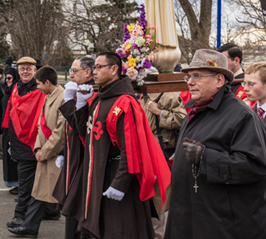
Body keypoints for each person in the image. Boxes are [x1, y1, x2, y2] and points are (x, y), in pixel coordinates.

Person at [165, 49, 266, 239]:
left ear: (219, 80)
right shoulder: (196, 111)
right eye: (188, 76)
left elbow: (255, 166)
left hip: (220, 224)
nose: (189, 82)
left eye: (197, 76)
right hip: (191, 216)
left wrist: (206, 157)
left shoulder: (241, 115)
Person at [75, 52, 170, 239]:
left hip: (116, 175)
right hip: (99, 173)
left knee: (120, 231)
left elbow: (131, 147)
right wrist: (79, 105)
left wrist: (120, 184)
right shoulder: (98, 99)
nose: (94, 71)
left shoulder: (125, 103)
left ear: (113, 69)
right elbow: (84, 132)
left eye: (99, 67)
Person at [9, 66, 65, 238]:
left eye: (39, 84)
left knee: (61, 193)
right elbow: (41, 124)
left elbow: (60, 130)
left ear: (48, 82)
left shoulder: (63, 98)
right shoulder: (48, 96)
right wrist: (38, 148)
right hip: (45, 151)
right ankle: (30, 227)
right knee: (39, 192)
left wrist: (45, 150)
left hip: (55, 154)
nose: (38, 87)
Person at [53, 56, 95, 239]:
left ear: (88, 73)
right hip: (74, 158)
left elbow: (81, 129)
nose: (70, 75)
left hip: (85, 161)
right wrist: (63, 151)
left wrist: (73, 102)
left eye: (74, 70)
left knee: (79, 211)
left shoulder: (92, 93)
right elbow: (69, 130)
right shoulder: (80, 90)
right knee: (71, 211)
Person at [5, 57, 48, 229]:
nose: (25, 71)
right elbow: (11, 114)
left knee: (25, 183)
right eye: (22, 68)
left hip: (31, 141)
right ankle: (51, 210)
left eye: (28, 69)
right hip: (18, 141)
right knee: (36, 180)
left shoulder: (40, 90)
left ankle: (20, 215)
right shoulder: (16, 88)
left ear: (35, 71)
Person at [141, 89, 186, 239]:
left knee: (158, 203)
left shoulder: (168, 96)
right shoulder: (141, 96)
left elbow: (182, 119)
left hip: (159, 154)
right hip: (144, 155)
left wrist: (160, 112)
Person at [0, 68, 19, 190]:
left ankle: (18, 184)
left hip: (13, 129)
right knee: (8, 158)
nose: (7, 81)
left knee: (14, 159)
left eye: (10, 78)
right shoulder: (7, 92)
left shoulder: (17, 92)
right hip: (5, 128)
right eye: (6, 78)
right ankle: (13, 183)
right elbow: (2, 111)